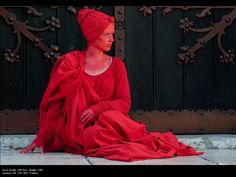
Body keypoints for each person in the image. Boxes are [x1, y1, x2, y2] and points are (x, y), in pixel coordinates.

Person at [20, 8, 203, 161]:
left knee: (110, 120)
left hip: (109, 125)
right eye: (107, 34)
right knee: (92, 135)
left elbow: (124, 103)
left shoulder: (116, 65)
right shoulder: (71, 63)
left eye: (112, 34)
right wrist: (41, 138)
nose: (112, 39)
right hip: (79, 130)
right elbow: (56, 104)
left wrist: (98, 108)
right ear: (93, 35)